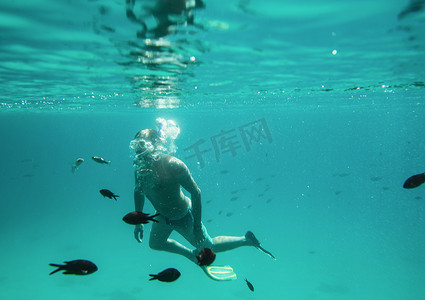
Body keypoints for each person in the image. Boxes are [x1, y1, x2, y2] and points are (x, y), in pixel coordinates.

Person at [129, 120, 274, 272]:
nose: (139, 156)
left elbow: (196, 192)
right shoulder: (139, 168)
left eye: (142, 149)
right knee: (156, 244)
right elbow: (138, 190)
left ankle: (246, 240)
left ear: (154, 147)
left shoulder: (173, 164)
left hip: (184, 215)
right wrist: (139, 221)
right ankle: (191, 255)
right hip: (162, 217)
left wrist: (197, 226)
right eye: (136, 149)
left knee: (208, 247)